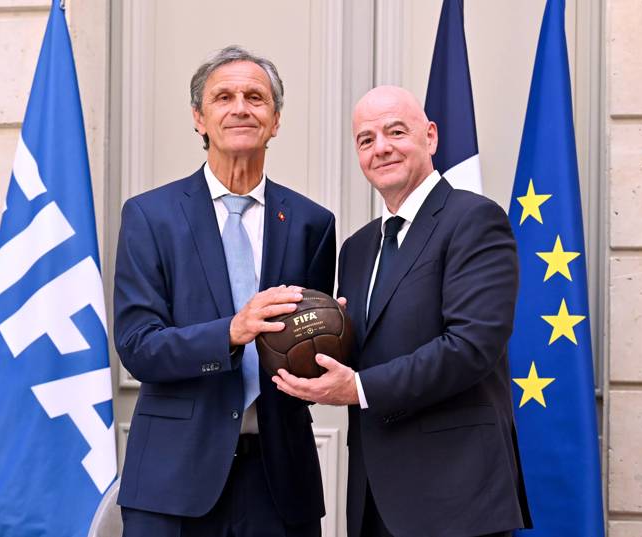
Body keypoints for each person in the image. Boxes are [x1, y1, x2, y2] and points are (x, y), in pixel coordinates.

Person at [273, 86, 532, 537]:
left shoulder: (475, 220)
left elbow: (471, 347)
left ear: (430, 137)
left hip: (457, 497)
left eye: (396, 131)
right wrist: (319, 342)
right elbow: (369, 350)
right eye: (366, 139)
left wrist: (357, 387)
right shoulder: (357, 247)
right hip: (373, 497)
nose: (382, 148)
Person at [113, 46, 336, 537]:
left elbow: (303, 357)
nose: (241, 107)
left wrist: (332, 342)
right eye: (223, 97)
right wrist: (231, 332)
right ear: (199, 118)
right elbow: (137, 346)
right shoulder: (151, 216)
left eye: (256, 97)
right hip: (172, 485)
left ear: (275, 120)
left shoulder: (311, 224)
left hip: (280, 485)